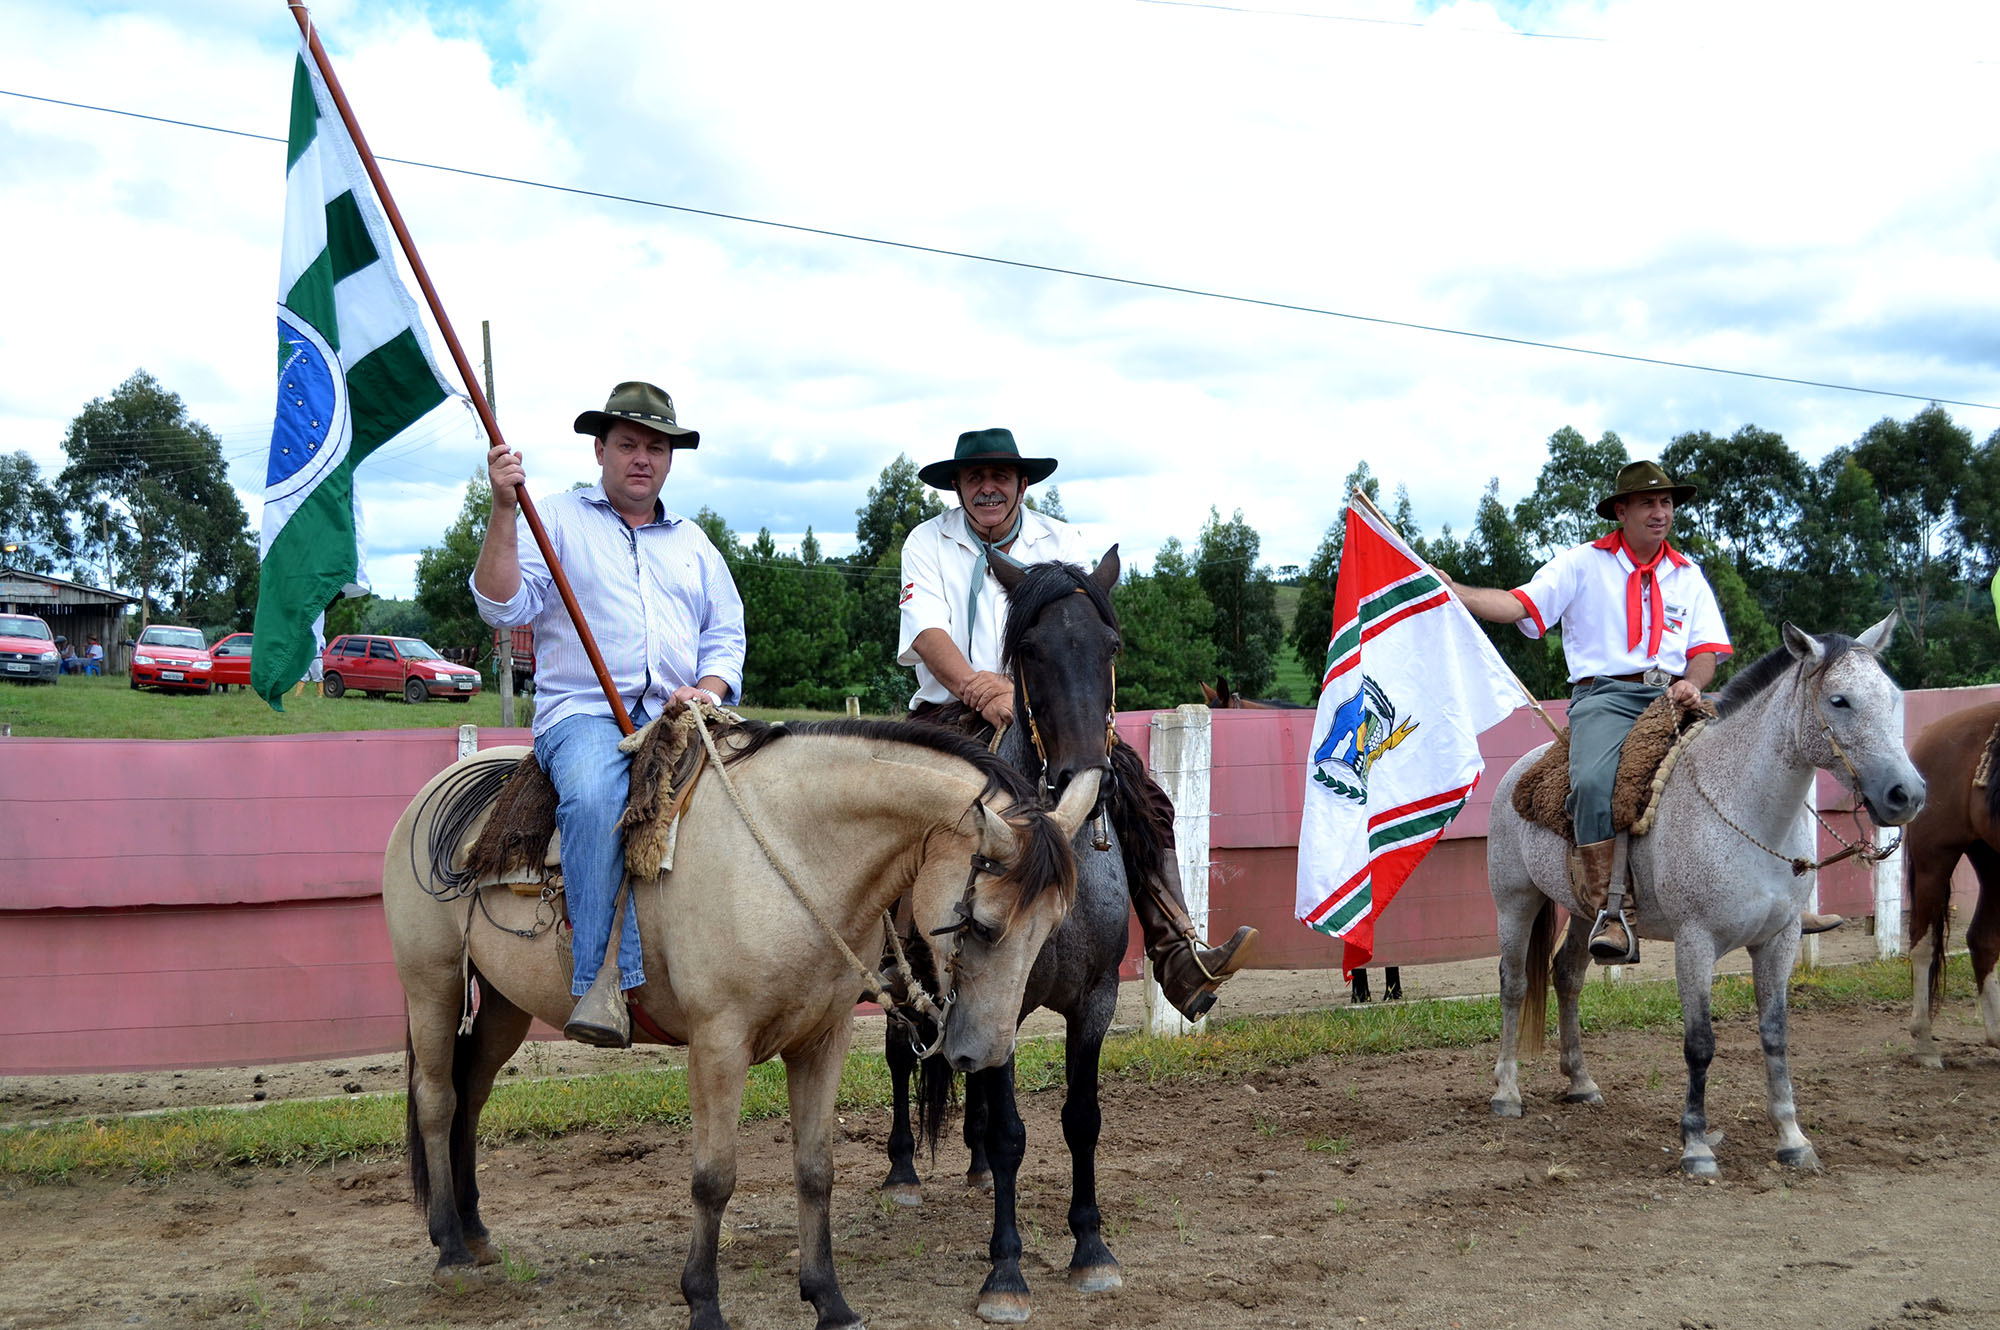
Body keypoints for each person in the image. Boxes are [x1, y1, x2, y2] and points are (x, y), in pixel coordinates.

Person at [898, 428, 1255, 1019]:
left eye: (1000, 476)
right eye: (974, 477)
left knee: (1142, 797)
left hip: (1051, 708)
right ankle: (903, 954)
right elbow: (926, 631)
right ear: (957, 486)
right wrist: (975, 687)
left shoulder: (1062, 541)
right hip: (952, 709)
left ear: (1022, 484)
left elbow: (1081, 633)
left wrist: (1021, 692)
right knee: (907, 806)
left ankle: (1176, 949)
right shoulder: (925, 542)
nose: (987, 487)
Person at [1444, 459, 1841, 959]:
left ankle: (1779, 896)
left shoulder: (1688, 574)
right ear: (1622, 511)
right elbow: (1519, 605)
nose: (1661, 512)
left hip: (1675, 696)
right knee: (1591, 783)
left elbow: (1704, 653)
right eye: (1649, 503)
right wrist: (1456, 591)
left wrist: (1693, 684)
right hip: (1605, 697)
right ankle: (1612, 911)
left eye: (1668, 503)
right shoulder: (1581, 564)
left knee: (1753, 760)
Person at [471, 381, 746, 1048]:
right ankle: (601, 980)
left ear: (671, 459)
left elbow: (725, 635)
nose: (642, 458)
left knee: (764, 791)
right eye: (628, 444)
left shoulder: (693, 542)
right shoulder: (555, 518)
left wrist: (707, 690)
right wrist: (505, 510)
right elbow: (502, 605)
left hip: (683, 714)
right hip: (586, 712)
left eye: (657, 446)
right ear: (600, 449)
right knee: (596, 798)